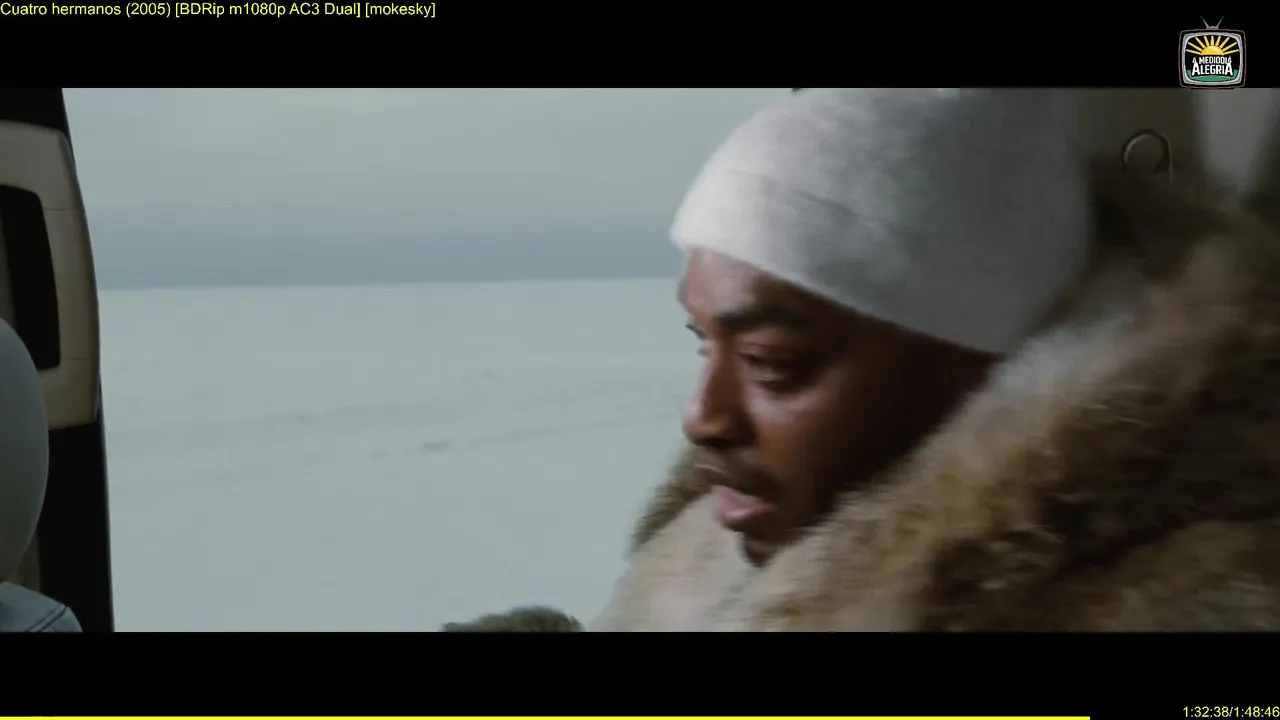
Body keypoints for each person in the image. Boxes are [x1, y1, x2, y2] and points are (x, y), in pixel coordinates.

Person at [448, 88, 1280, 632]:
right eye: (706, 342)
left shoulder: (1177, 606)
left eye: (772, 361)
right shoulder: (725, 540)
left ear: (987, 372)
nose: (703, 417)